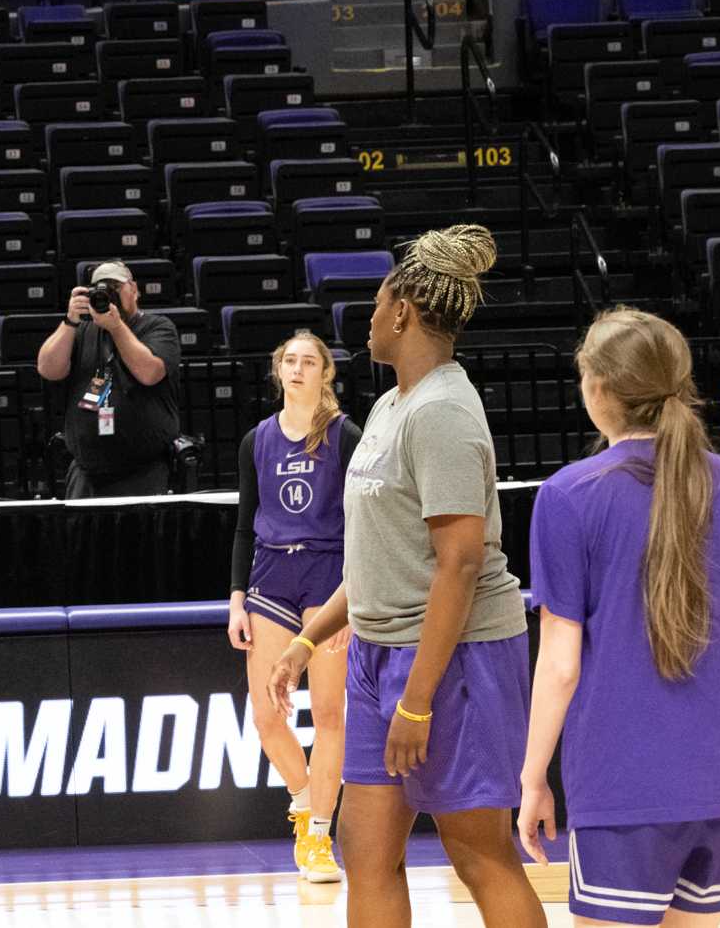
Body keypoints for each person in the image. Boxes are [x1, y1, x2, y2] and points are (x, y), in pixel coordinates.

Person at [268, 225, 544, 928]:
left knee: (476, 849)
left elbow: (459, 560)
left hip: (457, 656)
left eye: (376, 299)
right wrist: (308, 641)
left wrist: (417, 700)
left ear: (404, 312)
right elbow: (376, 557)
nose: (366, 315)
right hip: (376, 652)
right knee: (365, 849)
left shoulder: (445, 409)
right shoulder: (391, 405)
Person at [516, 308, 720, 928]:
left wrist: (532, 779)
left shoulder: (567, 495)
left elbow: (558, 667)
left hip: (623, 788)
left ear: (597, 389)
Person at [229, 330, 354, 884]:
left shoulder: (346, 436)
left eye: (310, 362)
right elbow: (241, 524)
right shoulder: (256, 440)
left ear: (325, 373)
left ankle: (321, 838)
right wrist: (236, 598)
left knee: (329, 715)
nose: (299, 370)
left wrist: (357, 594)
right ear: (278, 371)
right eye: (291, 362)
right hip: (271, 576)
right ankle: (304, 803)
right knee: (265, 714)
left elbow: (364, 519)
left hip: (329, 576)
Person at [33, 260, 184, 497]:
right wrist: (70, 320)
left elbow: (149, 373)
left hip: (144, 471)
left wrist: (116, 327)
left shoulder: (157, 327)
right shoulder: (81, 330)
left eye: (116, 287)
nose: (109, 295)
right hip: (87, 472)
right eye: (102, 289)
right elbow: (48, 369)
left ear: (134, 289)